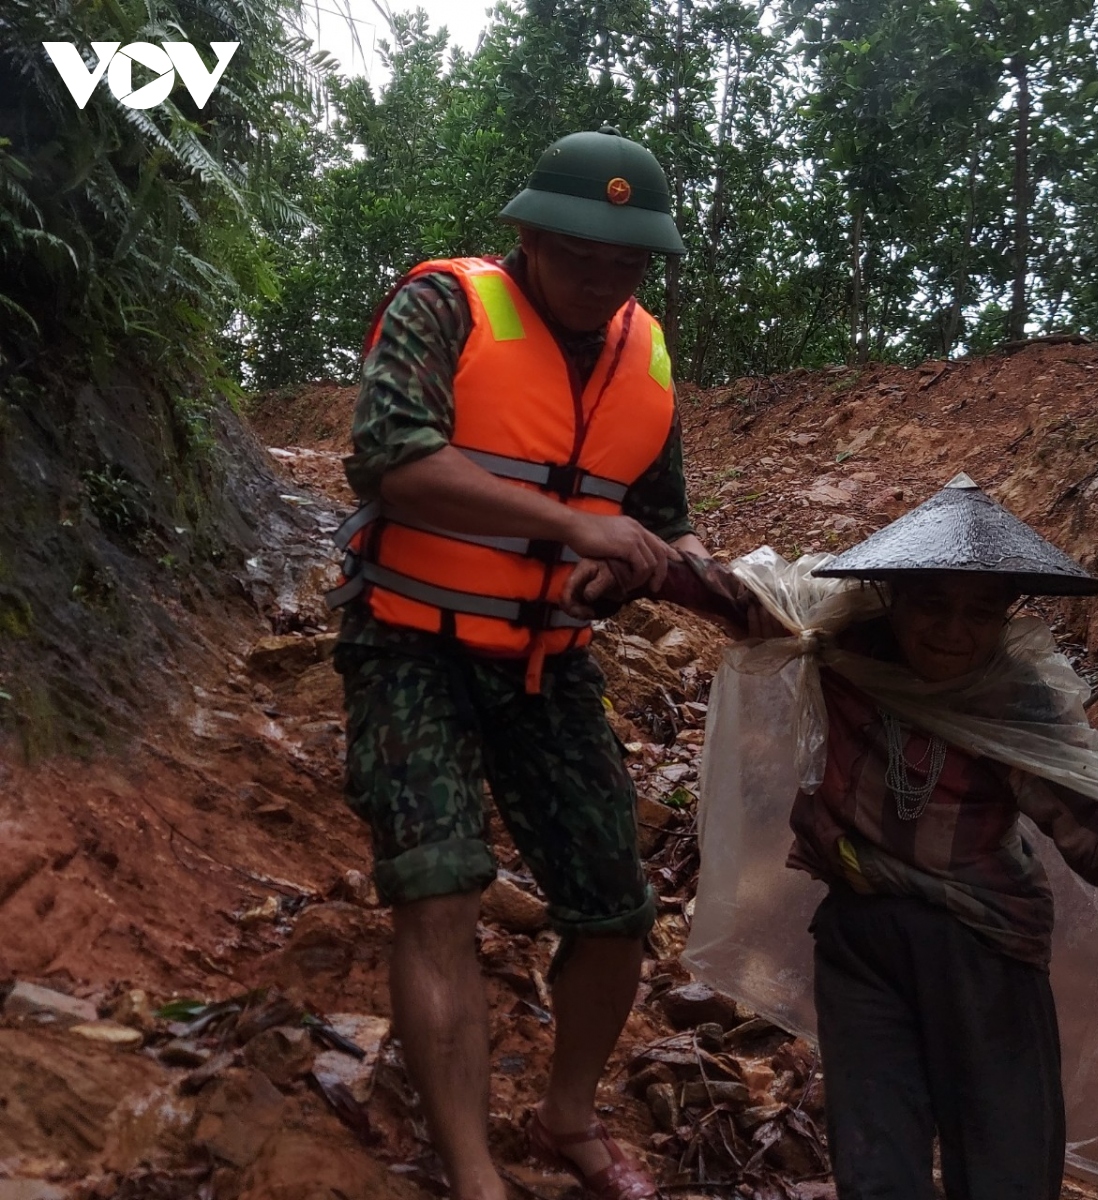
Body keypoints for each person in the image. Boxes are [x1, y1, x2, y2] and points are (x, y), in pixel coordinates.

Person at [564, 475, 1098, 1200]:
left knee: (1006, 1170)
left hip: (985, 951)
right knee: (875, 1166)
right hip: (862, 942)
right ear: (893, 595)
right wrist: (644, 567)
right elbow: (741, 596)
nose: (953, 631)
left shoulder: (1017, 699)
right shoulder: (842, 643)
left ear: (1005, 616)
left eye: (979, 612)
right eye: (933, 604)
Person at [327, 127, 711, 1200]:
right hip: (408, 644)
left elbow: (666, 525)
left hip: (548, 662)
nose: (602, 280)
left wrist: (645, 570)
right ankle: (472, 1170)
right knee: (439, 888)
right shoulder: (445, 305)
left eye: (626, 263)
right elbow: (392, 461)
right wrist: (577, 529)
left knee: (616, 906)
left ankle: (568, 1116)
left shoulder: (650, 356)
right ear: (530, 236)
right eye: (582, 255)